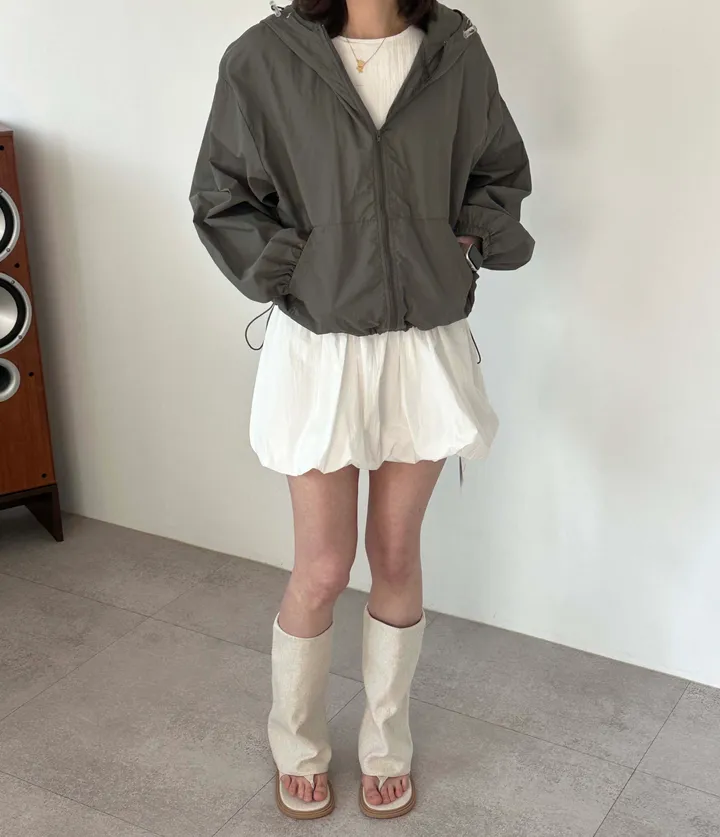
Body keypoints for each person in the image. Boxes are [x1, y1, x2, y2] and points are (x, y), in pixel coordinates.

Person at [190, 0, 533, 820]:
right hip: (321, 347)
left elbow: (498, 172)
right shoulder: (263, 58)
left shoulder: (454, 51)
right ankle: (297, 740)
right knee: (321, 566)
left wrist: (461, 245)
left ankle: (387, 741)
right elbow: (222, 195)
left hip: (423, 343)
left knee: (397, 553)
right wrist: (295, 266)